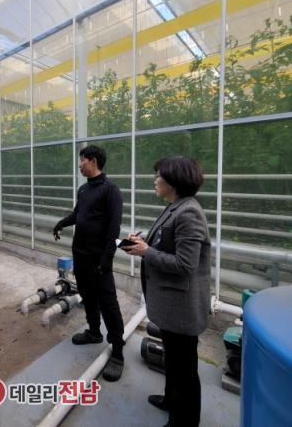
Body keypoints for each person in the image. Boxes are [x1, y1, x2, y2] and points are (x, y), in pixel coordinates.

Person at [121, 157, 210, 427]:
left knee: (185, 369)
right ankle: (171, 399)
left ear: (173, 181)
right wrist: (143, 243)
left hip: (181, 307)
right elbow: (166, 243)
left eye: (158, 175)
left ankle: (184, 421)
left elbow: (185, 265)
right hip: (171, 304)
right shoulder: (174, 207)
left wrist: (147, 252)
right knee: (173, 359)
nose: (155, 180)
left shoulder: (189, 213)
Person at [53, 145, 125, 381]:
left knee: (109, 304)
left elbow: (114, 228)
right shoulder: (84, 189)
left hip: (99, 259)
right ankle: (94, 332)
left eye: (82, 160)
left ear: (92, 161)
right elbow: (77, 214)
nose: (79, 164)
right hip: (81, 256)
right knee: (88, 296)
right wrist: (61, 223)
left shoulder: (110, 190)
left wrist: (107, 259)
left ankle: (117, 353)